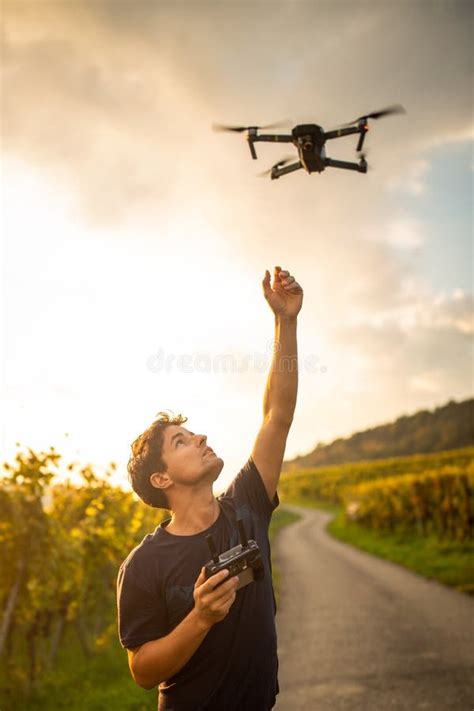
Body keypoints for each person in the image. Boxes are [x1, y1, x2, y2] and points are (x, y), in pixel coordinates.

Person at [117, 266, 303, 711]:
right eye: (181, 441)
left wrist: (286, 322)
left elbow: (277, 415)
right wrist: (200, 618)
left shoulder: (247, 505)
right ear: (161, 479)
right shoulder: (144, 565)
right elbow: (143, 670)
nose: (200, 437)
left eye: (194, 432)